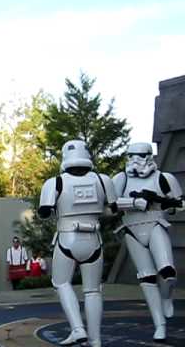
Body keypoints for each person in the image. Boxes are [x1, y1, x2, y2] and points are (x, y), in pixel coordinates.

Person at [38, 140, 117, 347]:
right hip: (94, 239)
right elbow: (114, 209)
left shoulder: (54, 183)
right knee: (92, 291)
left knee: (61, 283)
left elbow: (44, 212)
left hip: (67, 238)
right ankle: (95, 339)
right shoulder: (103, 180)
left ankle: (77, 328)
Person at [112, 142, 183, 341]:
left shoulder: (163, 178)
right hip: (132, 229)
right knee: (147, 278)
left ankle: (167, 297)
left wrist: (163, 202)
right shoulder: (121, 179)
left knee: (167, 272)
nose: (135, 160)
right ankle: (159, 325)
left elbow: (179, 204)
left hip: (155, 224)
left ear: (149, 156)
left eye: (140, 156)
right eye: (131, 155)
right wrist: (134, 203)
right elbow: (109, 205)